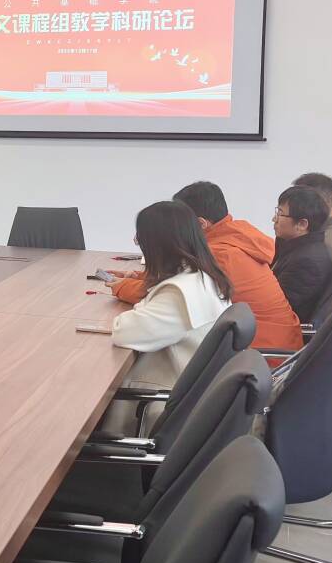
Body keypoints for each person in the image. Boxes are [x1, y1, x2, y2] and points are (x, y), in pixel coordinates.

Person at [109, 181, 302, 351]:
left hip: (261, 353)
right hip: (272, 341)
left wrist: (121, 287)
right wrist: (138, 276)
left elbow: (171, 296)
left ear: (200, 224)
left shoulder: (219, 254)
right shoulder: (237, 235)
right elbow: (176, 276)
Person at [102, 201, 232, 430]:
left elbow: (124, 331)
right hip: (194, 392)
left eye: (140, 239)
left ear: (158, 244)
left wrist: (141, 305)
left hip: (164, 402)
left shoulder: (179, 292)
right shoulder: (204, 276)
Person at [271, 185, 332, 323]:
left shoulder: (307, 263)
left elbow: (275, 308)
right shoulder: (295, 247)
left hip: (284, 329)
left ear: (302, 224)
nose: (274, 219)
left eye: (280, 214)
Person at [292, 171, 332, 267]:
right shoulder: (330, 238)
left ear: (322, 203)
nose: (295, 208)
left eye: (300, 201)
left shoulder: (322, 246)